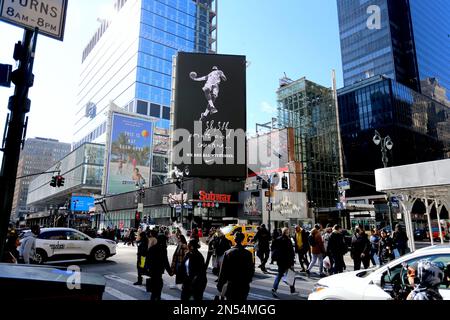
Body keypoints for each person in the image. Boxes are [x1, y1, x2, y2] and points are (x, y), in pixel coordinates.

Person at [217, 232, 254, 301]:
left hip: (231, 285)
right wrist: (248, 281)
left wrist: (220, 284)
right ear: (243, 239)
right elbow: (251, 270)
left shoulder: (228, 253)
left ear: (234, 239)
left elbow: (223, 271)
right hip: (243, 285)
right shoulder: (248, 253)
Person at [145, 234, 173, 300]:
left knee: (154, 288)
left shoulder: (152, 248)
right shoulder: (163, 249)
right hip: (158, 271)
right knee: (158, 287)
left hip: (152, 271)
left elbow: (147, 260)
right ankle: (157, 297)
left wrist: (147, 269)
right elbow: (165, 261)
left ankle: (155, 297)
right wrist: (170, 272)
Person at [271, 227, 296, 297]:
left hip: (280, 260)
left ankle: (274, 288)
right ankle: (292, 290)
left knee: (279, 275)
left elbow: (273, 248)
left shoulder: (278, 239)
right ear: (286, 232)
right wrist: (292, 262)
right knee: (291, 275)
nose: (289, 233)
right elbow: (291, 252)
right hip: (287, 261)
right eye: (288, 232)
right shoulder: (288, 240)